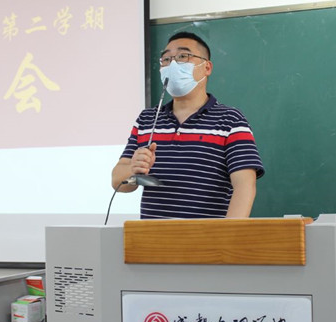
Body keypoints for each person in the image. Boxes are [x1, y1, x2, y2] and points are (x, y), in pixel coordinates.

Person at [112, 32, 264, 219]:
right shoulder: (147, 119)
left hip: (207, 236)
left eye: (183, 56)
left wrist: (229, 233)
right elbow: (118, 182)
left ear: (206, 67)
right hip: (152, 235)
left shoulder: (231, 120)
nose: (172, 65)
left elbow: (245, 186)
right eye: (166, 59)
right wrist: (133, 169)